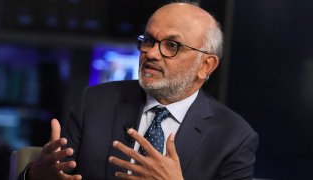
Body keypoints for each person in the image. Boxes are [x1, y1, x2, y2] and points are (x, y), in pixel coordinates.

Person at [19, 2, 258, 180]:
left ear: (205, 66)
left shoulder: (234, 137)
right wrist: (34, 174)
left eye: (171, 46)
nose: (152, 54)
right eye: (149, 41)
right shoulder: (95, 102)